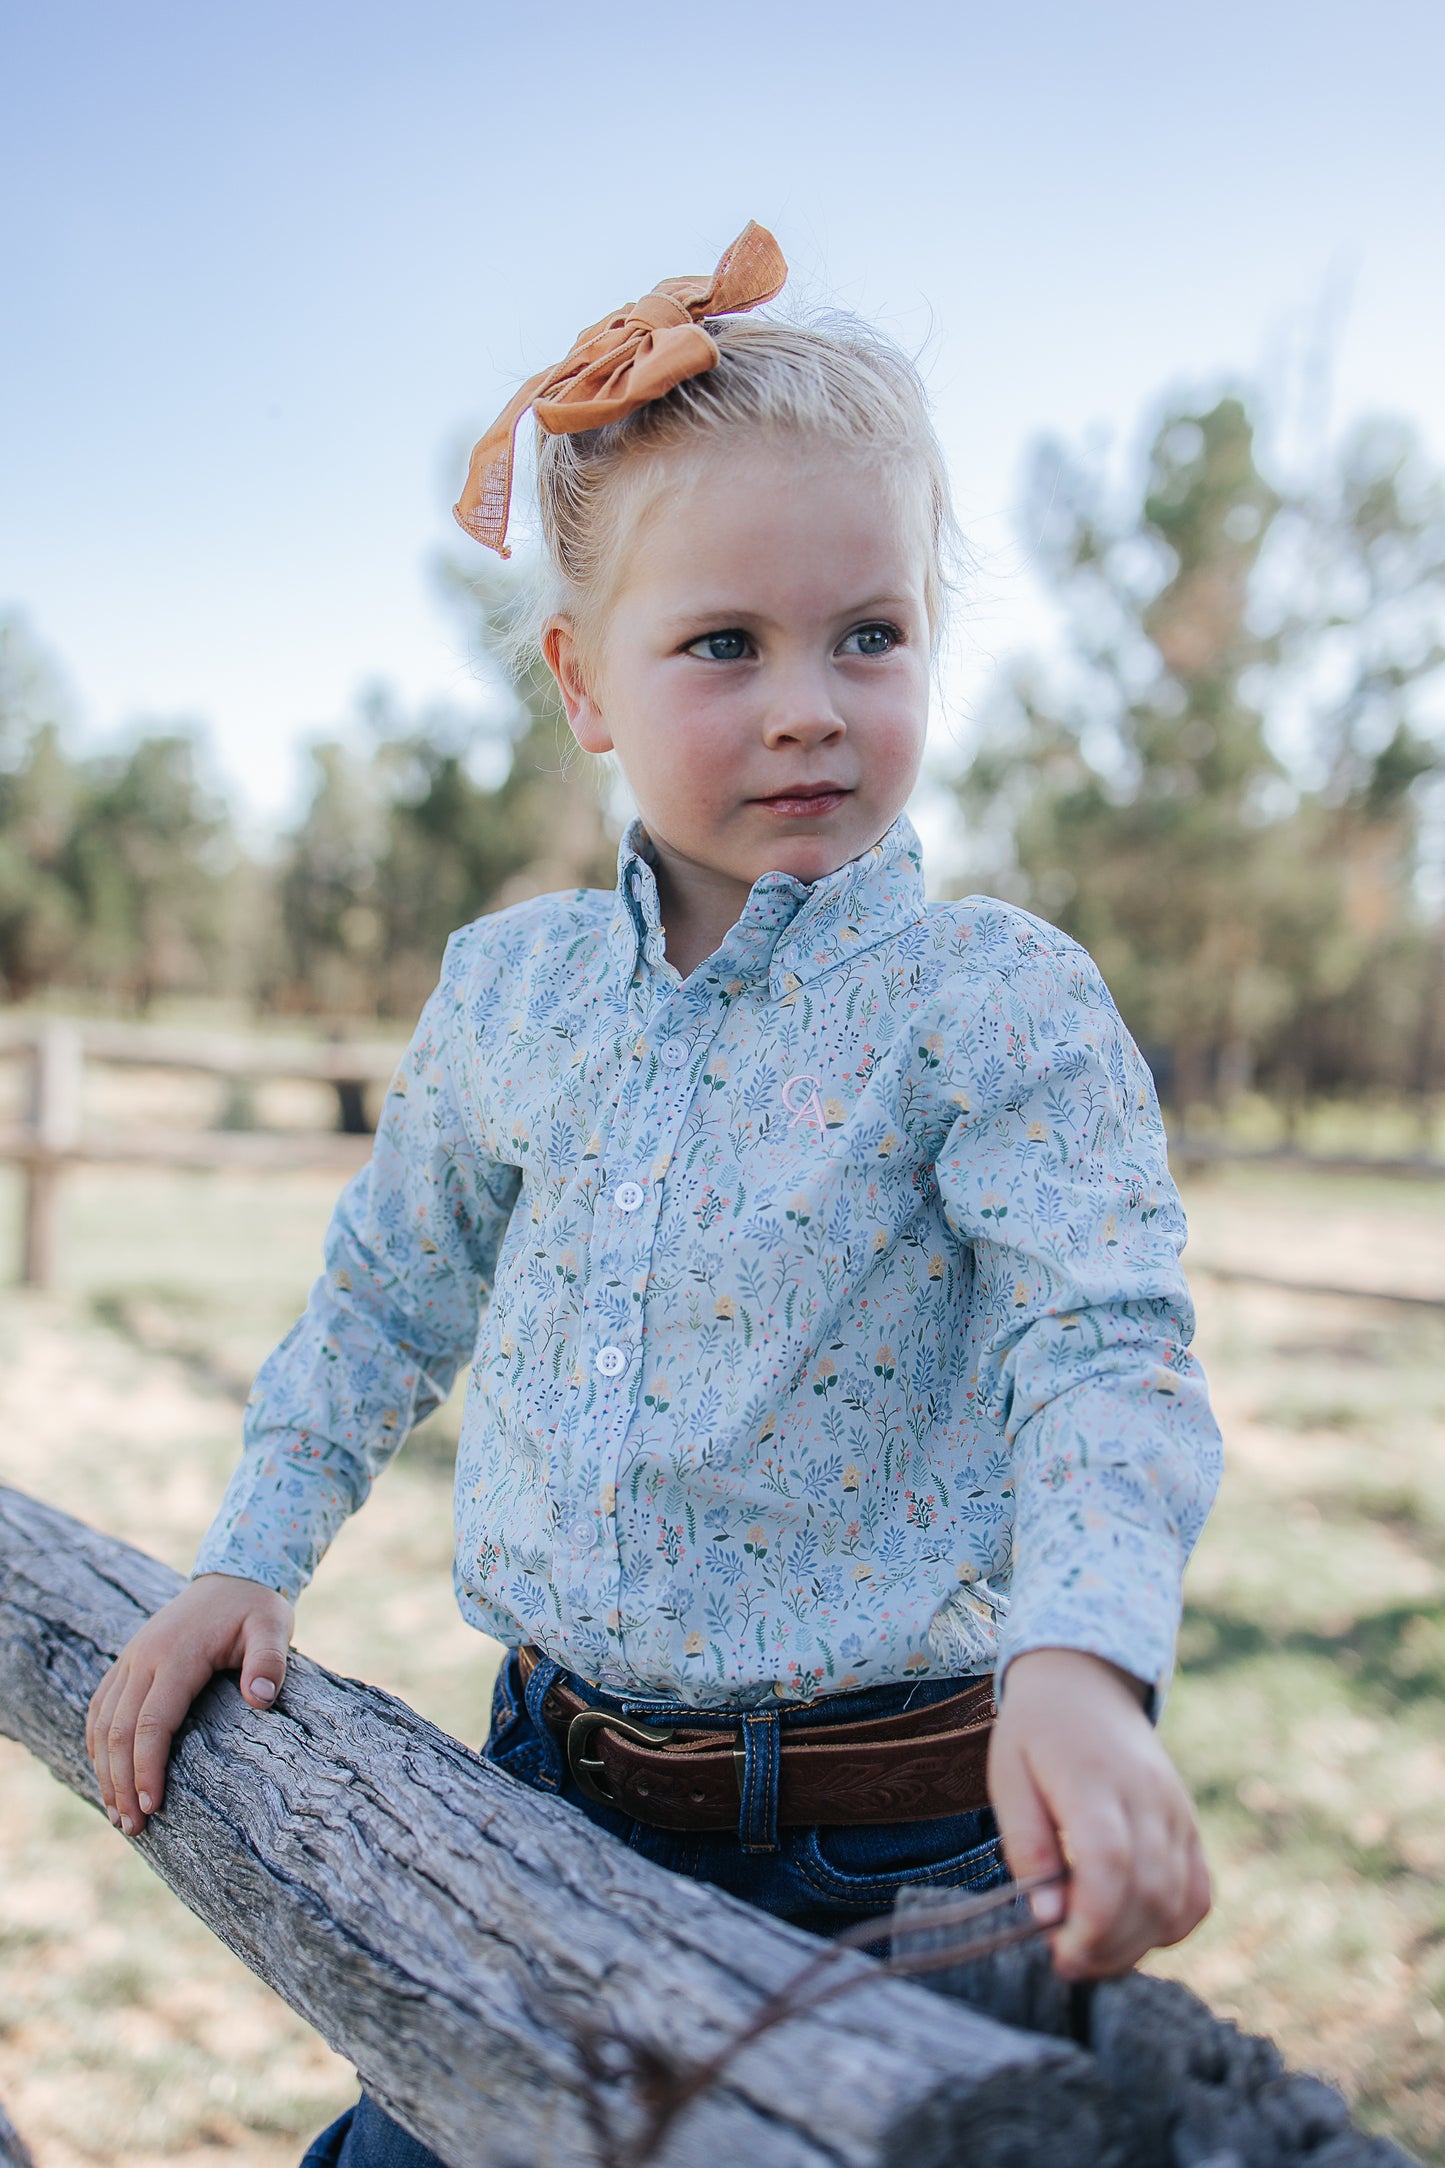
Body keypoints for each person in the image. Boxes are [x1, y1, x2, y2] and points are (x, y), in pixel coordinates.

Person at [86, 223, 1221, 2167]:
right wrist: (244, 1558)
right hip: (542, 1789)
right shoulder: (510, 994)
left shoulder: (986, 1001)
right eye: (726, 643)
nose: (809, 703)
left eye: (869, 632)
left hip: (905, 1849)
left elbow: (1101, 1339)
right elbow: (384, 1299)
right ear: (582, 683)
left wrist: (1084, 1659)